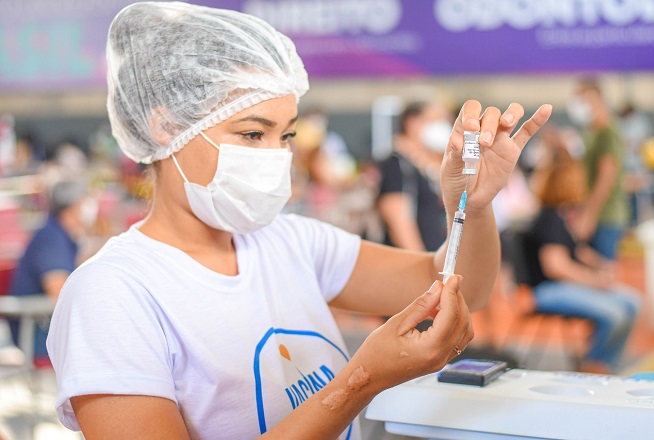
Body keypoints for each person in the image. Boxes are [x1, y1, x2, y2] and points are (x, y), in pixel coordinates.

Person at [45, 3, 552, 439]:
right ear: (165, 125)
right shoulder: (113, 294)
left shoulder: (290, 242)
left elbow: (456, 286)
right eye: (252, 134)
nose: (274, 155)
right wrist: (359, 382)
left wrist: (471, 207)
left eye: (285, 135)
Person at [525, 150, 640, 374]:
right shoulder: (549, 218)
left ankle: (605, 363)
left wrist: (602, 266)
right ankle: (593, 367)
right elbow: (556, 266)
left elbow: (578, 251)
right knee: (615, 314)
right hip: (548, 290)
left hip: (564, 286)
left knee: (632, 302)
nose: (582, 185)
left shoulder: (563, 216)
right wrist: (594, 281)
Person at [7, 178, 95, 366]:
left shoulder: (63, 235)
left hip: (47, 326)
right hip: (37, 330)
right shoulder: (51, 237)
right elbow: (58, 289)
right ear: (73, 206)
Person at [377, 101, 454, 252]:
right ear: (411, 122)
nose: (441, 127)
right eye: (435, 120)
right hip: (415, 260)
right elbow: (396, 218)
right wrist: (420, 260)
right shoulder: (398, 164)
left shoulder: (422, 164)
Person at [566, 79, 628, 260]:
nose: (579, 105)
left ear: (597, 99)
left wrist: (589, 217)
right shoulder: (591, 131)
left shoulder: (607, 132)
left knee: (603, 270)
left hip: (605, 216)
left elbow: (606, 178)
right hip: (592, 213)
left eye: (582, 99)